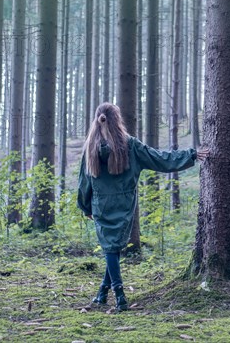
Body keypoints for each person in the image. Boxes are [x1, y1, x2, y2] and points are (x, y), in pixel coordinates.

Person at [77, 102, 209, 312]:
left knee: (111, 248)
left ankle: (103, 292)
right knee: (113, 248)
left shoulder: (90, 148)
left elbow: (84, 183)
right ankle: (118, 295)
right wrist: (191, 155)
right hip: (124, 204)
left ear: (97, 119)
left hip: (101, 204)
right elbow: (160, 159)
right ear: (117, 120)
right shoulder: (130, 145)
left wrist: (85, 207)